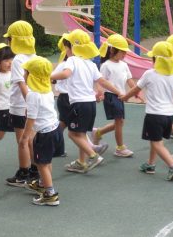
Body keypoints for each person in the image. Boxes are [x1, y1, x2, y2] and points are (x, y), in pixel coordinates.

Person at [120, 41, 173, 181]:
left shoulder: (150, 74)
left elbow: (136, 89)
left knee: (156, 142)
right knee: (155, 139)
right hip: (169, 115)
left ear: (155, 59)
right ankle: (150, 164)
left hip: (154, 115)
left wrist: (124, 97)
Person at [50, 29, 123, 174]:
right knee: (81, 134)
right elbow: (102, 81)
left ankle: (93, 156)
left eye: (67, 47)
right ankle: (81, 162)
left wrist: (49, 76)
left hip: (78, 104)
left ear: (72, 47)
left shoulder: (72, 60)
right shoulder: (90, 63)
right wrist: (118, 91)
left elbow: (66, 74)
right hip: (90, 104)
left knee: (72, 134)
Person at [20, 57, 61, 206]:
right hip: (55, 128)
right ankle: (44, 184)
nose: (24, 74)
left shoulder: (33, 95)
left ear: (32, 76)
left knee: (41, 163)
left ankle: (50, 194)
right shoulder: (47, 90)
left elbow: (31, 118)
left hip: (44, 134)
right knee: (46, 161)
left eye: (26, 72)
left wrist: (25, 137)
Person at [3, 21, 38, 187]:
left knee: (23, 141)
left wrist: (28, 103)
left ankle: (23, 173)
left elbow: (21, 83)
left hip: (20, 106)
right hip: (33, 104)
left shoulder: (18, 60)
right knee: (31, 139)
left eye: (9, 39)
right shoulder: (35, 57)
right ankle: (35, 170)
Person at [92, 33, 136, 158]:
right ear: (112, 50)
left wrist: (136, 91)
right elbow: (101, 81)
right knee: (119, 122)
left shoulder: (124, 65)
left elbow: (129, 79)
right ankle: (120, 148)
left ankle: (98, 132)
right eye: (122, 51)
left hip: (120, 96)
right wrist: (100, 93)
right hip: (111, 96)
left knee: (120, 122)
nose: (124, 54)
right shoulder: (106, 65)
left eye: (125, 52)